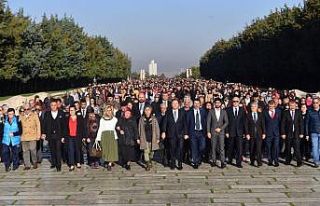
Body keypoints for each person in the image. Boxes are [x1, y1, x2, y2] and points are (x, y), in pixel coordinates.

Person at [161, 99, 188, 170]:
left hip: (180, 134)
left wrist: (186, 133)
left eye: (176, 103)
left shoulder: (182, 112)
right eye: (173, 103)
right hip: (171, 134)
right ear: (171, 105)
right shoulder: (168, 112)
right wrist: (163, 132)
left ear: (178, 104)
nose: (175, 105)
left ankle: (179, 163)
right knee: (172, 149)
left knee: (180, 148)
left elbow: (185, 123)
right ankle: (172, 163)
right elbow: (165, 123)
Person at [42, 99, 66, 172]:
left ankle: (58, 165)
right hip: (50, 135)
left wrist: (63, 136)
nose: (53, 107)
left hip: (59, 135)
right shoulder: (47, 114)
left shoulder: (61, 113)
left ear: (57, 106)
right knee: (52, 150)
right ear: (50, 106)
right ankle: (54, 163)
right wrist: (43, 133)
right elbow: (44, 124)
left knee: (58, 150)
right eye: (52, 105)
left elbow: (64, 126)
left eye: (55, 105)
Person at [281, 100, 304, 167]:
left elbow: (301, 123)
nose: (292, 106)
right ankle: (288, 160)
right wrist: (283, 133)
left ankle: (299, 162)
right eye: (291, 105)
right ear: (289, 105)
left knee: (297, 148)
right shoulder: (285, 112)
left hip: (296, 133)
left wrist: (302, 133)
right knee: (288, 147)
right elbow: (283, 123)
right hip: (288, 133)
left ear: (295, 105)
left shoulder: (298, 112)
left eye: (293, 105)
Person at [207, 98, 229, 168]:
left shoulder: (224, 112)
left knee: (222, 148)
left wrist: (221, 128)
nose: (217, 104)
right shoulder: (211, 111)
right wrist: (208, 132)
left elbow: (226, 122)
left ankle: (222, 162)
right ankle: (213, 161)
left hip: (221, 132)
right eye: (216, 103)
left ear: (221, 104)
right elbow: (208, 122)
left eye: (218, 103)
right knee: (213, 147)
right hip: (213, 132)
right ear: (214, 104)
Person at [95, 105, 118, 171]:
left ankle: (110, 164)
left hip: (112, 135)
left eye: (110, 110)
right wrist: (98, 138)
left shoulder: (115, 119)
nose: (109, 112)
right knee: (105, 150)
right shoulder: (102, 119)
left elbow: (115, 128)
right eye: (107, 110)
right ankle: (107, 161)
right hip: (104, 135)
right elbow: (100, 129)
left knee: (112, 150)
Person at [226, 96, 246, 168]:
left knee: (239, 148)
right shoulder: (228, 110)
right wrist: (227, 132)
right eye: (234, 101)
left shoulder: (242, 110)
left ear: (239, 102)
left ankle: (238, 163)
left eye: (237, 101)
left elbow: (244, 122)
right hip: (231, 132)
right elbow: (226, 122)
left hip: (240, 132)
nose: (235, 103)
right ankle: (230, 160)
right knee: (230, 147)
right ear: (232, 102)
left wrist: (245, 132)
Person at [186, 98, 207, 169]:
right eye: (195, 103)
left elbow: (206, 122)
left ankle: (199, 158)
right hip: (193, 132)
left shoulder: (203, 111)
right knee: (194, 147)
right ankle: (195, 162)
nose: (196, 105)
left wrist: (207, 131)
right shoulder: (189, 112)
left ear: (200, 104)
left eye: (198, 103)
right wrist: (186, 133)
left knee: (202, 147)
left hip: (201, 132)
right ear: (193, 104)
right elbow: (187, 124)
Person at [138, 105, 160, 171]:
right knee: (146, 151)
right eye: (146, 110)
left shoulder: (154, 119)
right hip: (144, 138)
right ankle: (147, 163)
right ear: (144, 111)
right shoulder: (141, 119)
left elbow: (157, 128)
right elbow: (139, 129)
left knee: (152, 152)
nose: (147, 111)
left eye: (149, 110)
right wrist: (138, 138)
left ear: (151, 111)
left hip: (152, 138)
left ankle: (150, 160)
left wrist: (158, 137)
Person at [20, 103, 41, 170]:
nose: (26, 110)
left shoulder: (34, 115)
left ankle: (34, 162)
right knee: (25, 151)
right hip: (24, 136)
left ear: (30, 109)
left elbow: (38, 125)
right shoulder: (21, 116)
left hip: (33, 135)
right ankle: (27, 165)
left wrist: (38, 135)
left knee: (33, 149)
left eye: (28, 109)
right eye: (25, 109)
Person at [245, 102, 266, 167]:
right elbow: (246, 125)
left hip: (259, 134)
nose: (253, 108)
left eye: (254, 106)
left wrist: (264, 133)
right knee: (252, 149)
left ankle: (259, 162)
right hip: (251, 134)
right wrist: (247, 134)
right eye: (252, 107)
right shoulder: (248, 115)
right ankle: (252, 161)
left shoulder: (260, 114)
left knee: (258, 149)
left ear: (257, 107)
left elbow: (263, 124)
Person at [65, 105, 85, 171]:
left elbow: (82, 127)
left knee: (77, 149)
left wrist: (83, 136)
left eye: (72, 110)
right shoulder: (67, 117)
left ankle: (78, 162)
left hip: (77, 136)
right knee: (70, 150)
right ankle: (71, 164)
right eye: (70, 110)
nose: (71, 112)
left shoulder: (79, 117)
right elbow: (64, 128)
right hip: (70, 136)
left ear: (75, 110)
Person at [264, 100, 282, 167]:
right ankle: (270, 160)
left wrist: (281, 132)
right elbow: (264, 123)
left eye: (272, 106)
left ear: (274, 106)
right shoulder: (265, 112)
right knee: (269, 147)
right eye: (269, 106)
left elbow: (280, 123)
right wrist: (264, 132)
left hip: (276, 133)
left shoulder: (279, 112)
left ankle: (276, 161)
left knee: (276, 147)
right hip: (268, 133)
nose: (271, 107)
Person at [306, 97, 320, 168]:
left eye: (316, 103)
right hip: (313, 132)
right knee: (315, 147)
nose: (315, 104)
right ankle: (316, 161)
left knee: (319, 148)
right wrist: (307, 134)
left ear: (319, 103)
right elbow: (307, 123)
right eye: (314, 103)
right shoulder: (310, 111)